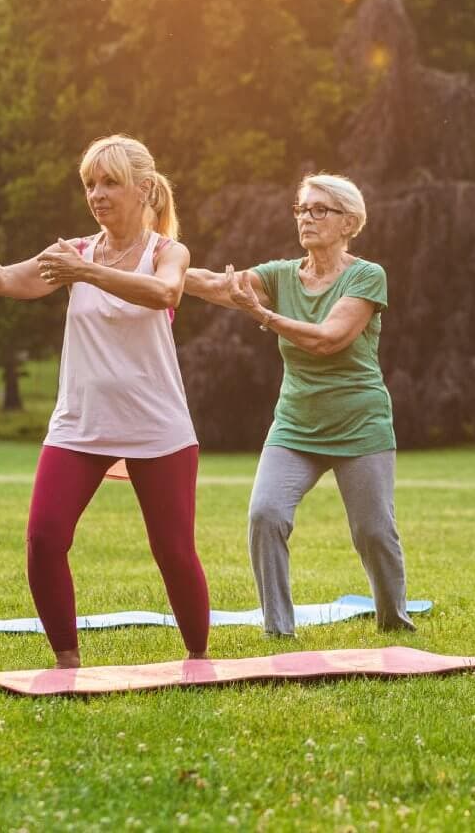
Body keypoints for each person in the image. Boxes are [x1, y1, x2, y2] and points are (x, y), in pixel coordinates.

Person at [0, 134, 208, 669]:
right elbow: (9, 280)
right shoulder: (73, 253)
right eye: (89, 184)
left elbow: (166, 293)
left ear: (144, 189)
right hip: (80, 425)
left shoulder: (166, 252)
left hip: (158, 425)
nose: (97, 195)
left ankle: (198, 658)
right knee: (43, 537)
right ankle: (67, 664)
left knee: (173, 552)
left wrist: (89, 273)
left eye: (110, 182)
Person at [183, 173, 414, 638]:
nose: (306, 217)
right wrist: (155, 263)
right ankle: (278, 629)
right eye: (301, 209)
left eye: (319, 209)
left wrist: (264, 315)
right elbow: (214, 283)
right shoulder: (280, 275)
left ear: (349, 222)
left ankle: (393, 619)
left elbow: (329, 340)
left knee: (373, 532)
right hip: (295, 425)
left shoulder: (366, 276)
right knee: (265, 513)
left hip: (360, 423)